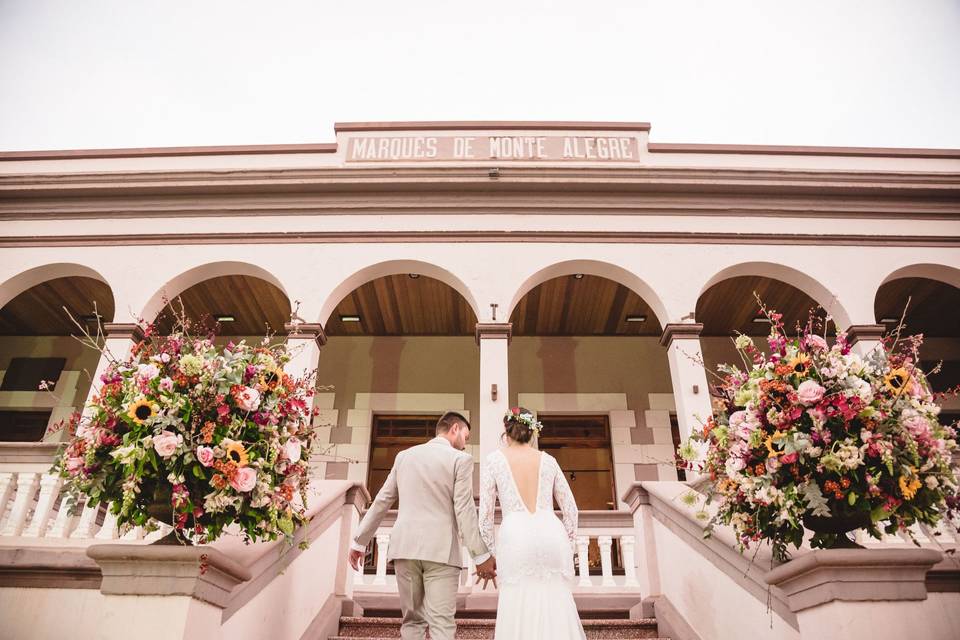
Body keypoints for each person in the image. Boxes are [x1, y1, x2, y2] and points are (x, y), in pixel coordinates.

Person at [347, 411, 496, 640]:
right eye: (465, 437)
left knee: (412, 622)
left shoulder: (404, 456)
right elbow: (464, 509)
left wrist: (359, 541)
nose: (465, 445)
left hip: (405, 549)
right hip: (441, 552)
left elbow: (382, 500)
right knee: (442, 624)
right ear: (454, 428)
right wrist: (480, 555)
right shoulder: (460, 460)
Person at [479, 407, 586, 639]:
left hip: (515, 536)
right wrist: (567, 547)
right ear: (532, 432)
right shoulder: (548, 461)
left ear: (506, 433)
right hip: (551, 533)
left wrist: (488, 554)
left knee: (517, 602)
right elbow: (571, 510)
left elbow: (485, 515)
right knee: (556, 603)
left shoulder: (494, 461)